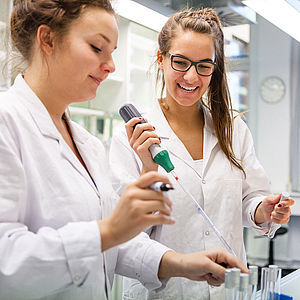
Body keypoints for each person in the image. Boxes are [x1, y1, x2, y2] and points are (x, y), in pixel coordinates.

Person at [0, 1, 249, 299]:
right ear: (48, 40)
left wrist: (182, 263)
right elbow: (7, 260)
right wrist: (110, 230)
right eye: (96, 47)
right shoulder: (7, 122)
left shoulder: (87, 145)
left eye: (113, 52)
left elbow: (108, 246)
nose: (111, 65)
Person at [109, 7, 294, 300]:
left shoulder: (234, 130)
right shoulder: (132, 139)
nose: (191, 76)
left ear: (214, 68)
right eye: (180, 62)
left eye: (204, 66)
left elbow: (249, 200)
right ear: (161, 59)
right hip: (164, 293)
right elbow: (124, 238)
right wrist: (148, 171)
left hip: (228, 290)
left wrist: (264, 210)